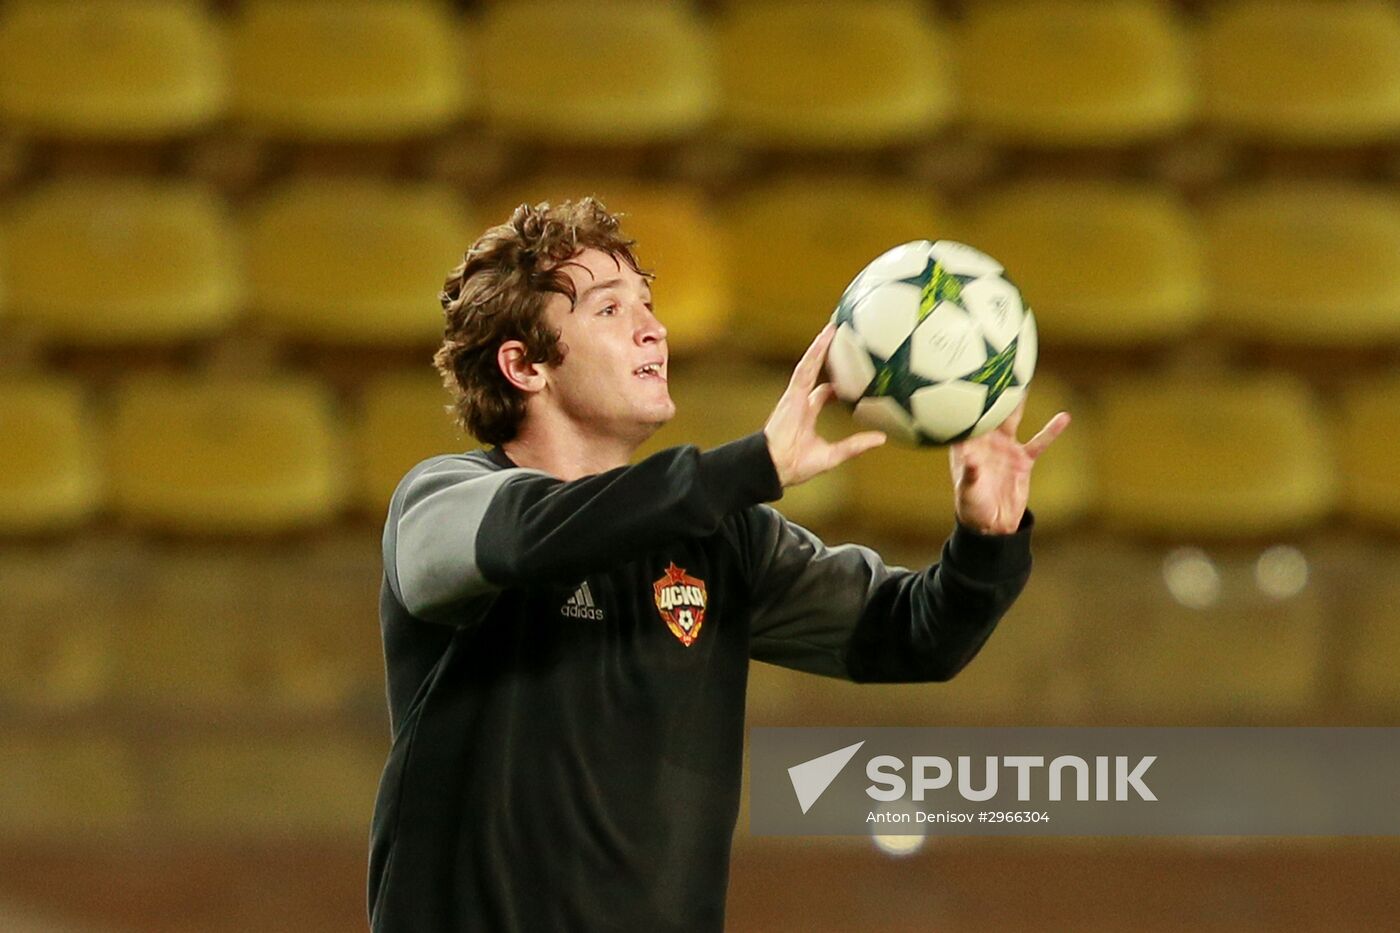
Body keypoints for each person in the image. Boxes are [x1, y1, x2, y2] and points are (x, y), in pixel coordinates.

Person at [368, 198, 1070, 932]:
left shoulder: (722, 543)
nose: (654, 327)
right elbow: (529, 535)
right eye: (610, 310)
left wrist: (986, 542)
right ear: (525, 364)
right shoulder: (441, 503)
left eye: (648, 302)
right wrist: (751, 466)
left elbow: (916, 634)